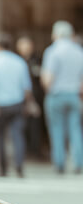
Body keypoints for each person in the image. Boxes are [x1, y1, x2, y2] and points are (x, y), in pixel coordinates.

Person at [0, 34, 32, 177]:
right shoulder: (19, 62)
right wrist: (27, 103)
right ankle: (19, 166)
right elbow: (26, 86)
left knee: (0, 137)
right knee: (18, 135)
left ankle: (3, 169)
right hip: (17, 103)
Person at [40, 20, 83, 174]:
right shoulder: (79, 51)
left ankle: (60, 163)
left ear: (56, 34)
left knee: (57, 130)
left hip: (56, 94)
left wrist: (47, 88)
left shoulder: (53, 51)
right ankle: (78, 162)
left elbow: (48, 77)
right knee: (75, 129)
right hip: (74, 95)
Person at [16, 35, 46, 160]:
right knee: (22, 126)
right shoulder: (16, 61)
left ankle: (37, 150)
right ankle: (26, 151)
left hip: (37, 97)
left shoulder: (37, 59)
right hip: (20, 98)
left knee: (37, 126)